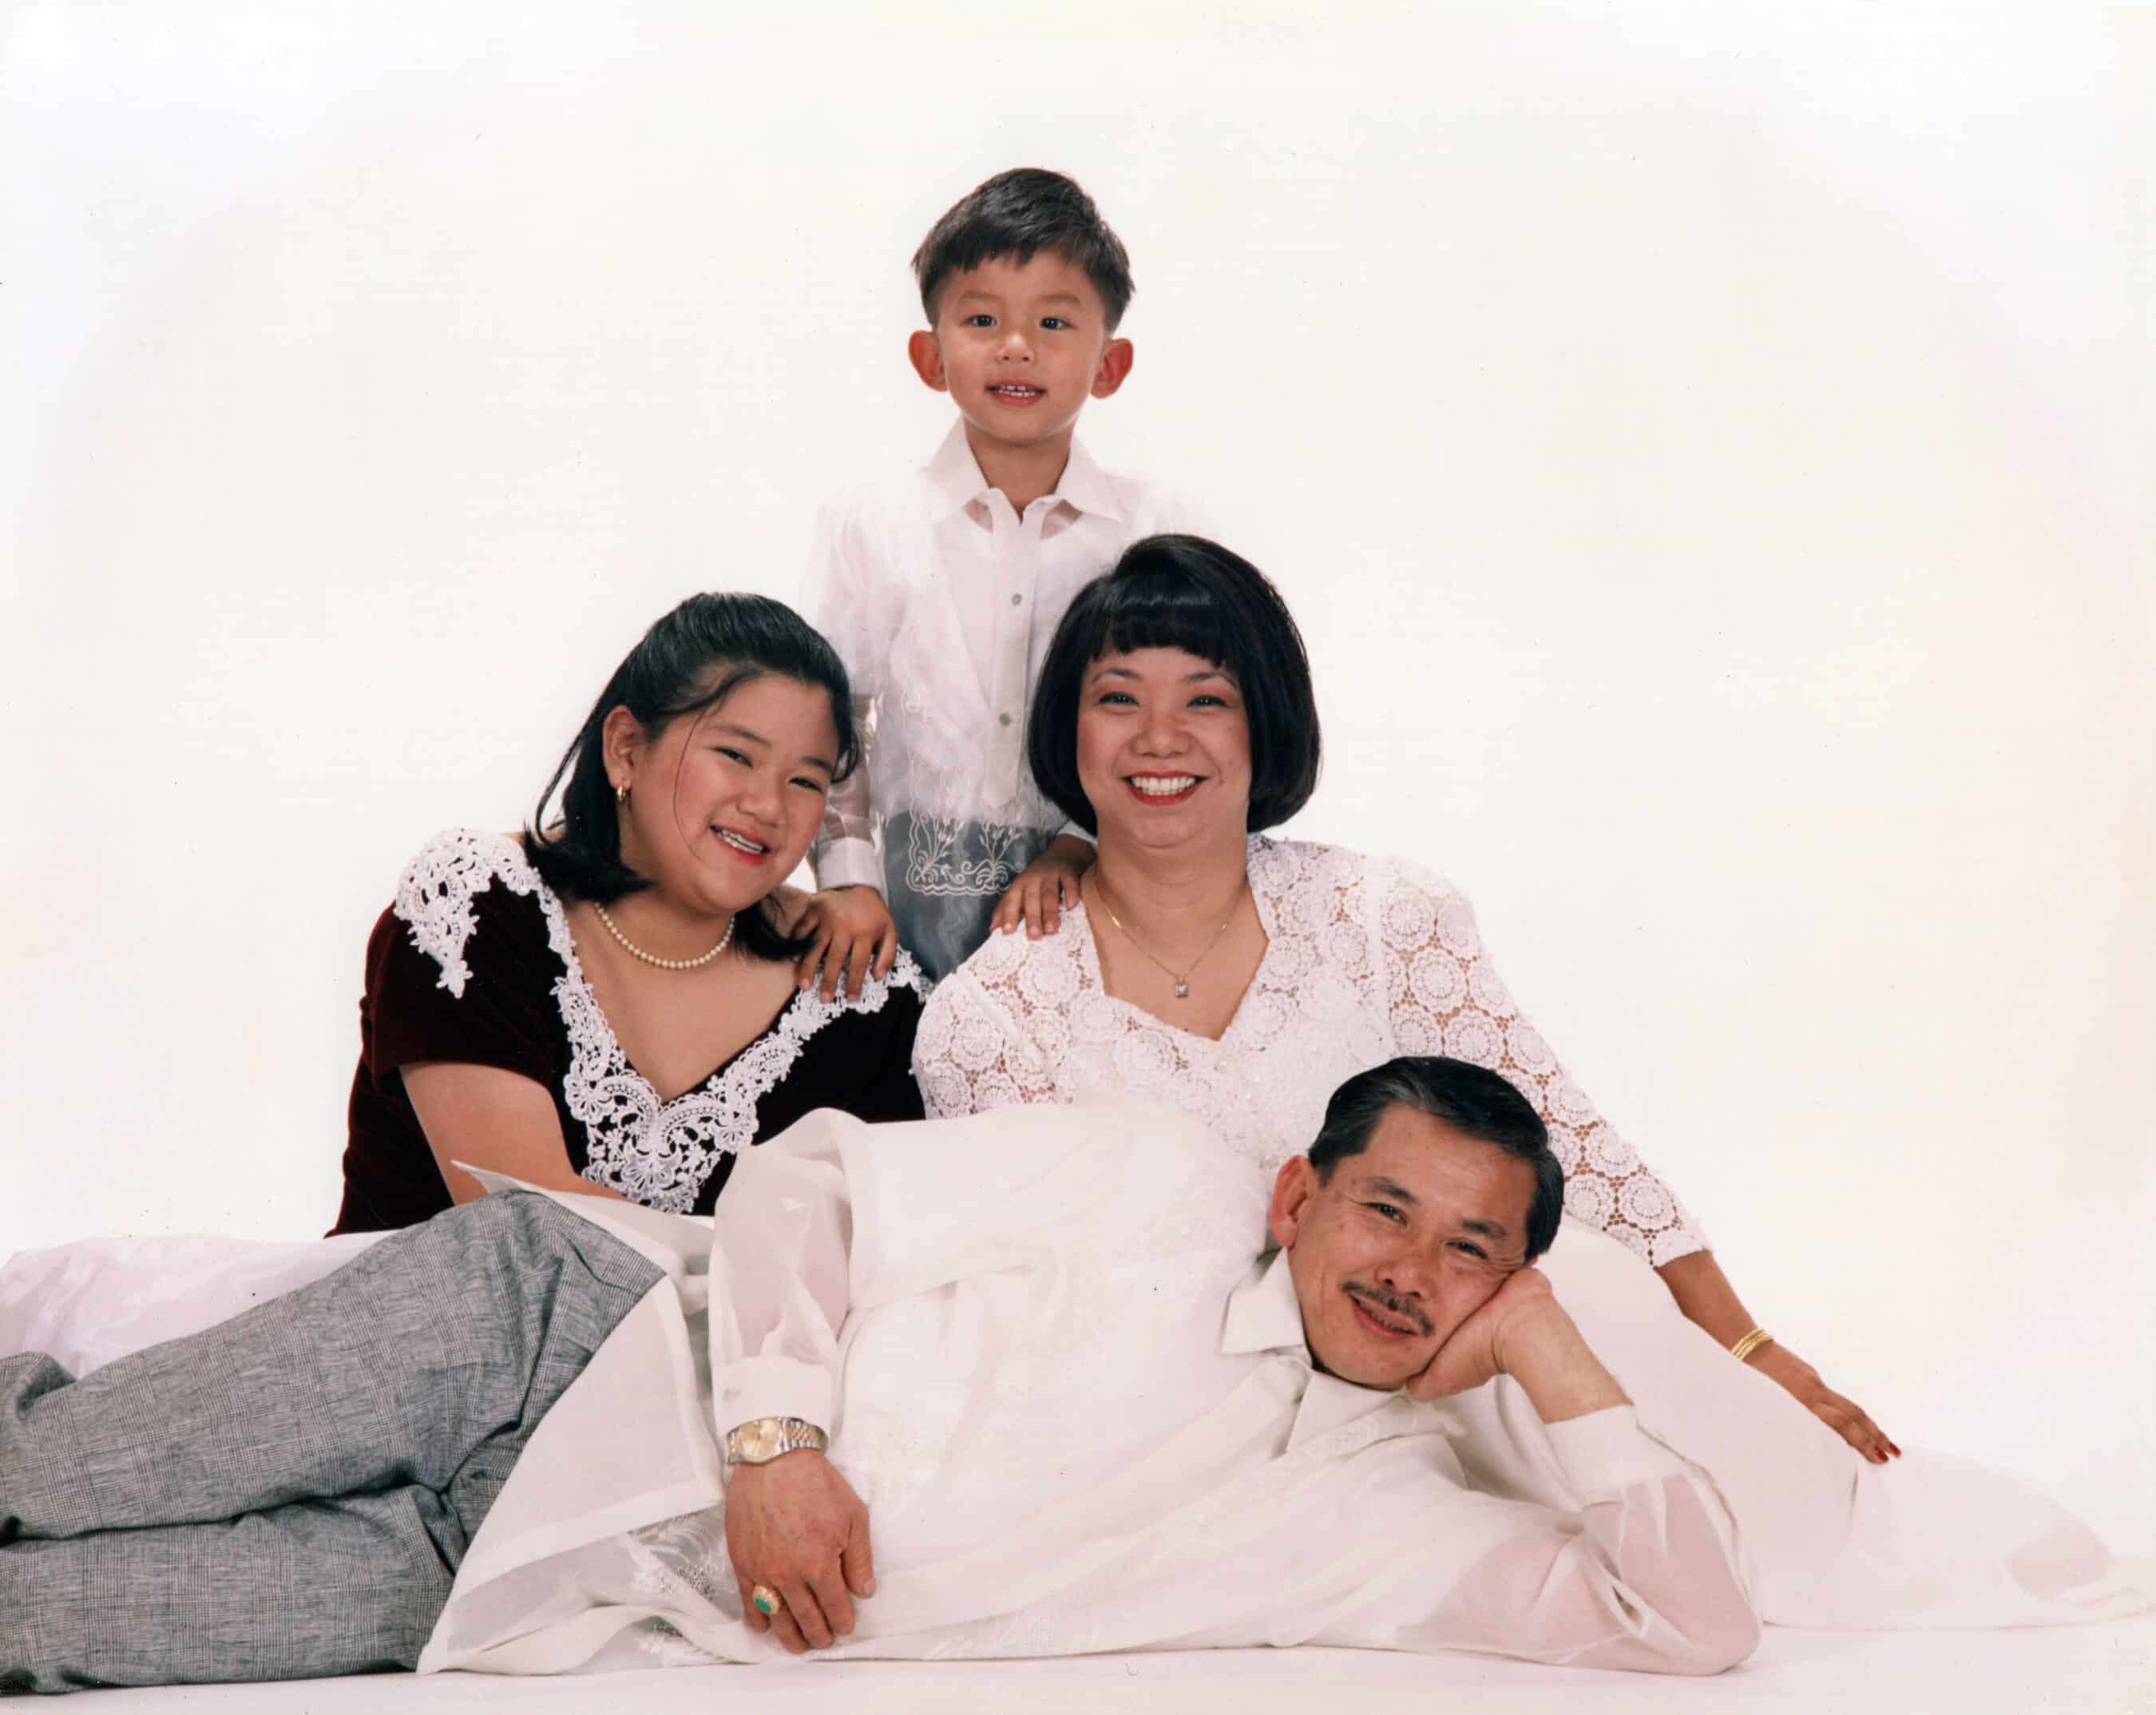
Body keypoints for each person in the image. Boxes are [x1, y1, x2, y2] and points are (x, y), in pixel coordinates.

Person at [909, 535, 2150, 1626]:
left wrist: (1747, 1346)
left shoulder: (1383, 918)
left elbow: (1569, 1145)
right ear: (1069, 731)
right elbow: (1057, 1323)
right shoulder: (992, 1018)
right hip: (1234, 1450)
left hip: (1475, 1378)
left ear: (1264, 724)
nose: (1160, 739)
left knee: (1598, 1301)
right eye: (1117, 698)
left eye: (1208, 699)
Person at [0, 1059, 1770, 1690]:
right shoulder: (1157, 1175)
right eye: (1386, 1209)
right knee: (49, 1474)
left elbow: (1691, 1626)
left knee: (47, 1626)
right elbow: (810, 1182)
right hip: (556, 1329)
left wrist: (1552, 1349)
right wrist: (776, 1439)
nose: (1411, 1272)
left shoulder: (1391, 1516)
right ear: (1300, 1194)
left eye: (1471, 1251)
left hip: (549, 1573)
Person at [332, 593, 925, 1233]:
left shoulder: (856, 990)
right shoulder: (475, 905)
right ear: (626, 748)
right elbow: (525, 1227)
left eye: (805, 781)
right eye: (736, 755)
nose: (768, 807)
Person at [793, 168, 1186, 991]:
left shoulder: (1150, 529)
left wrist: (1079, 843)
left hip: (1094, 892)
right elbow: (827, 713)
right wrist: (848, 876)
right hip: (898, 911)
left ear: (1110, 365)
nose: (1016, 346)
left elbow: (1170, 717)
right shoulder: (872, 521)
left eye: (1053, 321)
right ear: (930, 357)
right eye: (982, 319)